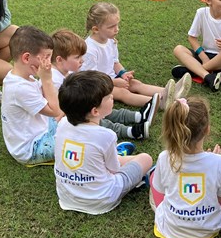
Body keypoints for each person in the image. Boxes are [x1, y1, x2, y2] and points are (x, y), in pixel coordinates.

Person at [54, 71, 154, 215]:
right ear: (95, 111)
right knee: (145, 158)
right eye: (109, 97)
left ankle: (117, 155)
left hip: (67, 198)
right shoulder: (106, 135)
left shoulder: (62, 124)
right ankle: (135, 176)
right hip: (102, 199)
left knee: (107, 159)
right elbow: (114, 169)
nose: (112, 97)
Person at [150, 98, 221, 238]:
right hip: (208, 229)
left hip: (171, 229)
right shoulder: (220, 162)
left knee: (154, 175)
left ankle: (162, 208)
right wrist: (214, 160)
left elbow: (160, 189)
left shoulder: (165, 158)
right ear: (207, 129)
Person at [82, 2, 190, 112]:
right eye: (111, 27)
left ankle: (172, 92)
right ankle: (160, 103)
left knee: (135, 84)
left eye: (117, 25)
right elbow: (91, 78)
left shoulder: (110, 41)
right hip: (94, 86)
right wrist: (114, 82)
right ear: (96, 29)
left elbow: (115, 62)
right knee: (123, 93)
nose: (117, 29)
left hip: (109, 79)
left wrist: (123, 74)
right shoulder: (89, 50)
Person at [51, 29, 152, 141]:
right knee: (94, 115)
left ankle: (138, 116)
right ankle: (131, 132)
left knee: (102, 106)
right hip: (68, 120)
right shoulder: (54, 80)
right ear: (59, 60)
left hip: (76, 112)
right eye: (77, 57)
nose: (82, 61)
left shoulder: (67, 72)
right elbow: (59, 110)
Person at [0, 26, 61, 166]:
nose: (48, 63)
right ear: (26, 58)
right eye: (46, 57)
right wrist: (46, 79)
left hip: (43, 128)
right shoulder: (20, 88)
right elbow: (55, 111)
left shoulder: (22, 78)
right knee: (76, 141)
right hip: (32, 147)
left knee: (74, 114)